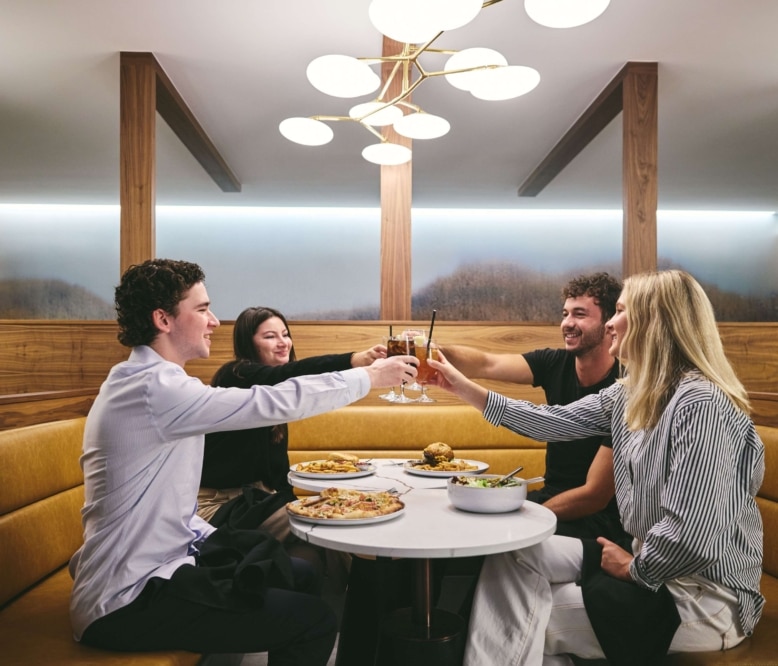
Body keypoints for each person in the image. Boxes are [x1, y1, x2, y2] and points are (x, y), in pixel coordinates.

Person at [68, 259, 417, 665]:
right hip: (126, 597)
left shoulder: (156, 382)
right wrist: (369, 377)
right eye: (201, 309)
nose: (214, 321)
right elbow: (267, 400)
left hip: (165, 565)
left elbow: (169, 505)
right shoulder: (153, 389)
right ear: (163, 319)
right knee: (316, 622)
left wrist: (213, 540)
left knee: (299, 573)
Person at [429, 269, 764, 665]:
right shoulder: (632, 392)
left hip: (702, 597)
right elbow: (552, 421)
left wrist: (637, 567)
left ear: (654, 323)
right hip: (653, 569)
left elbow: (693, 535)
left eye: (620, 311)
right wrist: (457, 385)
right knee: (514, 553)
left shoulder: (700, 404)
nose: (610, 323)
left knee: (518, 620)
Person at [199, 305, 384, 582]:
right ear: (248, 343)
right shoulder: (236, 376)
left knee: (324, 530)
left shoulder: (279, 399)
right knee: (327, 521)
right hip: (217, 505)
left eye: (285, 334)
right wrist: (355, 360)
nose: (283, 342)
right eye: (270, 336)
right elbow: (292, 375)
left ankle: (353, 608)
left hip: (256, 501)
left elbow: (276, 473)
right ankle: (368, 601)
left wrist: (302, 499)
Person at [442, 272, 626, 541]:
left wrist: (527, 517)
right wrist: (432, 352)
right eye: (565, 314)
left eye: (579, 314)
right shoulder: (553, 362)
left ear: (609, 323)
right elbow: (485, 363)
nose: (567, 323)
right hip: (550, 497)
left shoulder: (623, 388)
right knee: (462, 525)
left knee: (498, 538)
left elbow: (594, 496)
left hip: (597, 520)